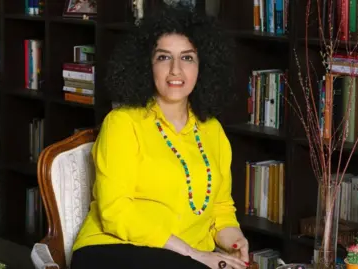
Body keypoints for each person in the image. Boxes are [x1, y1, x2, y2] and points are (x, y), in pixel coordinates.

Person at [71, 3, 250, 269]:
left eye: (187, 58)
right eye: (164, 57)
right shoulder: (122, 123)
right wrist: (193, 254)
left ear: (203, 67)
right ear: (147, 65)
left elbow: (221, 209)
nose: (176, 70)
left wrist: (236, 242)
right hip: (111, 249)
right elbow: (115, 212)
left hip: (184, 258)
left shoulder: (213, 131)